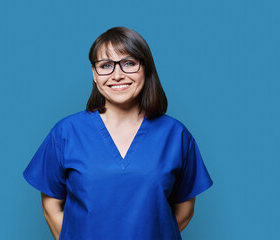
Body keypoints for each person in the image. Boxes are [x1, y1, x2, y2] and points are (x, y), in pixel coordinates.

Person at [23, 26, 213, 240]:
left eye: (129, 63)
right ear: (95, 75)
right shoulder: (66, 133)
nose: (117, 75)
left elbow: (185, 209)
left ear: (146, 69)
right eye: (105, 66)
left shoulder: (175, 135)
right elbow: (51, 205)